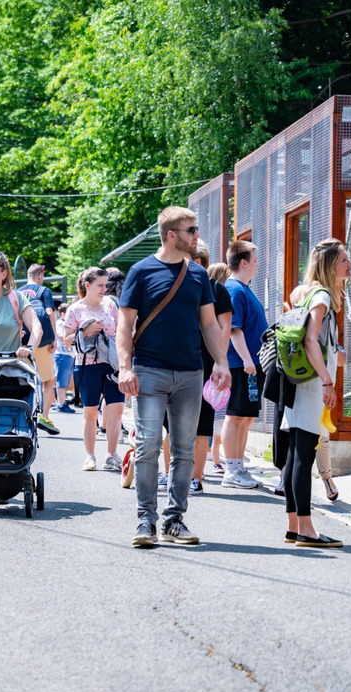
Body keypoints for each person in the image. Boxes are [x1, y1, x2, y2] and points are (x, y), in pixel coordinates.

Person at [117, 207, 231, 549]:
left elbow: (209, 324)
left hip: (191, 373)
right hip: (149, 371)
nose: (196, 235)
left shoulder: (198, 277)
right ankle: (145, 520)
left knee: (184, 450)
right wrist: (125, 366)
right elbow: (125, 324)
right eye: (191, 229)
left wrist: (221, 362)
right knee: (148, 444)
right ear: (171, 235)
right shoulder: (141, 271)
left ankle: (174, 520)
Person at [280, 240, 351, 547]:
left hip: (299, 382)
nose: (349, 265)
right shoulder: (321, 295)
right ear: (331, 265)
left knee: (297, 453)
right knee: (303, 455)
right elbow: (310, 341)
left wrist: (336, 356)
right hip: (311, 384)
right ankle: (307, 530)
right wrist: (327, 381)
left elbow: (320, 341)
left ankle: (294, 526)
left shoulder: (309, 292)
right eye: (345, 260)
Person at [62, 267, 124, 471]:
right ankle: (89, 456)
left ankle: (111, 455)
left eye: (106, 285)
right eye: (100, 285)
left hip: (112, 364)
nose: (104, 289)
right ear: (87, 285)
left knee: (117, 409)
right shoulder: (75, 309)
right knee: (90, 412)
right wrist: (84, 330)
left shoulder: (110, 305)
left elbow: (121, 331)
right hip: (87, 365)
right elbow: (67, 340)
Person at [220, 240, 269, 490]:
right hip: (241, 364)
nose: (257, 264)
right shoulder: (235, 290)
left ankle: (238, 467)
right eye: (255, 259)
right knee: (236, 415)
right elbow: (233, 329)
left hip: (251, 364)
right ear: (244, 262)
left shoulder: (244, 288)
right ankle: (231, 470)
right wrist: (247, 359)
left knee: (246, 418)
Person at [191, 243, 232, 496]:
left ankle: (196, 477)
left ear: (200, 261)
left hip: (206, 364)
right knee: (169, 425)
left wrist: (220, 361)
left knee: (201, 425)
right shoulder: (173, 286)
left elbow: (225, 329)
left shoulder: (217, 290)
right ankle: (167, 473)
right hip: (174, 362)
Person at [18, 262, 61, 435]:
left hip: (22, 342)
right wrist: (53, 338)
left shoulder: (18, 292)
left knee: (23, 378)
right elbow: (49, 313)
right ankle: (43, 415)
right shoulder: (44, 291)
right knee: (49, 379)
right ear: (40, 276)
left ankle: (22, 413)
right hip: (40, 340)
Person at [52, 301, 75, 412]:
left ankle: (61, 402)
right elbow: (62, 336)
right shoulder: (60, 323)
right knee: (61, 380)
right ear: (62, 314)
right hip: (62, 354)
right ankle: (61, 403)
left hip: (69, 354)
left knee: (65, 380)